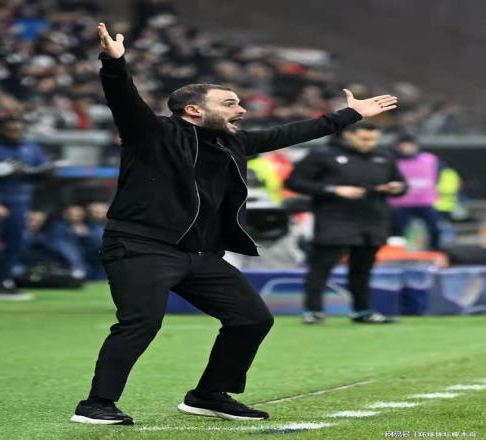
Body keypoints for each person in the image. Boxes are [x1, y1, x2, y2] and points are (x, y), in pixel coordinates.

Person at [70, 22, 398, 426]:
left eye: (239, 103)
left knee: (252, 318)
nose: (240, 110)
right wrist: (114, 63)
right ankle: (96, 404)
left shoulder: (233, 141)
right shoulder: (152, 133)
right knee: (141, 322)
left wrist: (351, 114)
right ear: (194, 110)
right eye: (229, 104)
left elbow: (291, 132)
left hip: (200, 254)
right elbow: (123, 98)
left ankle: (209, 395)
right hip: (141, 247)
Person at [285, 122, 407, 325]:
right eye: (364, 138)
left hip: (372, 219)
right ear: (348, 135)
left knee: (363, 269)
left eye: (374, 139)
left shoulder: (384, 157)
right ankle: (313, 311)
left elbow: (402, 184)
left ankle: (363, 311)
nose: (369, 143)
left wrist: (397, 188)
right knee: (321, 267)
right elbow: (293, 182)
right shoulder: (323, 155)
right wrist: (334, 190)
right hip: (335, 219)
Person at [0, 116, 54, 292]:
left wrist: (41, 172)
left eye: (18, 129)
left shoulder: (30, 147)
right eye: (11, 129)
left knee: (15, 242)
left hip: (20, 201)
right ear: (1, 129)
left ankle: (5, 279)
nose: (15, 132)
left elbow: (44, 175)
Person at [389, 135, 441, 250]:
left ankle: (435, 250)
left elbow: (440, 175)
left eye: (410, 145)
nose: (407, 148)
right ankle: (396, 253)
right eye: (404, 145)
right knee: (397, 231)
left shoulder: (430, 159)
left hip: (425, 202)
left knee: (434, 229)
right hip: (400, 203)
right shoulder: (392, 161)